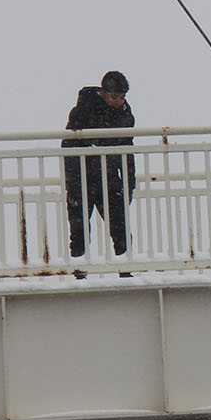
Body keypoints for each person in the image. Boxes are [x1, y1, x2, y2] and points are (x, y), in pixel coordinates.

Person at [62, 70, 136, 277]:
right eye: (115, 97)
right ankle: (79, 275)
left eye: (122, 97)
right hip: (82, 179)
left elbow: (127, 152)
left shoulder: (125, 116)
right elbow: (68, 146)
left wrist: (129, 184)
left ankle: (126, 273)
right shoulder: (82, 111)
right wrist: (73, 182)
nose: (118, 102)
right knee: (79, 232)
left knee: (121, 231)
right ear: (103, 93)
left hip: (109, 180)